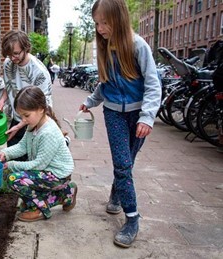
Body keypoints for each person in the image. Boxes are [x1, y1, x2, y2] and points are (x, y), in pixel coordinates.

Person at [79, 0, 161, 248]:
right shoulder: (104, 47)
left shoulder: (137, 46)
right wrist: (91, 101)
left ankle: (116, 192)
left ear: (119, 19)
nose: (101, 28)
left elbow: (153, 83)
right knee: (123, 164)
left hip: (138, 115)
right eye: (97, 23)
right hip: (113, 113)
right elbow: (105, 83)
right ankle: (132, 219)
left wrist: (147, 116)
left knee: (127, 163)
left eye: (105, 22)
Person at [0, 86, 77, 222]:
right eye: (21, 116)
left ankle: (39, 208)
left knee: (15, 179)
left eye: (26, 115)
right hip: (46, 172)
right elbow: (23, 146)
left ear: (41, 109)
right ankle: (66, 193)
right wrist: (5, 153)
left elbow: (39, 164)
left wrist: (11, 164)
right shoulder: (33, 126)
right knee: (17, 177)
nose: (24, 120)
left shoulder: (48, 133)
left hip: (57, 175)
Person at [0, 30, 69, 159]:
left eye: (16, 53)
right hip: (18, 118)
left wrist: (20, 126)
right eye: (9, 55)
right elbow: (9, 84)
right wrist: (2, 100)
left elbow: (42, 106)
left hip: (36, 122)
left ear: (26, 48)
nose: (12, 58)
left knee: (33, 164)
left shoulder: (39, 73)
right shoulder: (8, 63)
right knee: (12, 157)